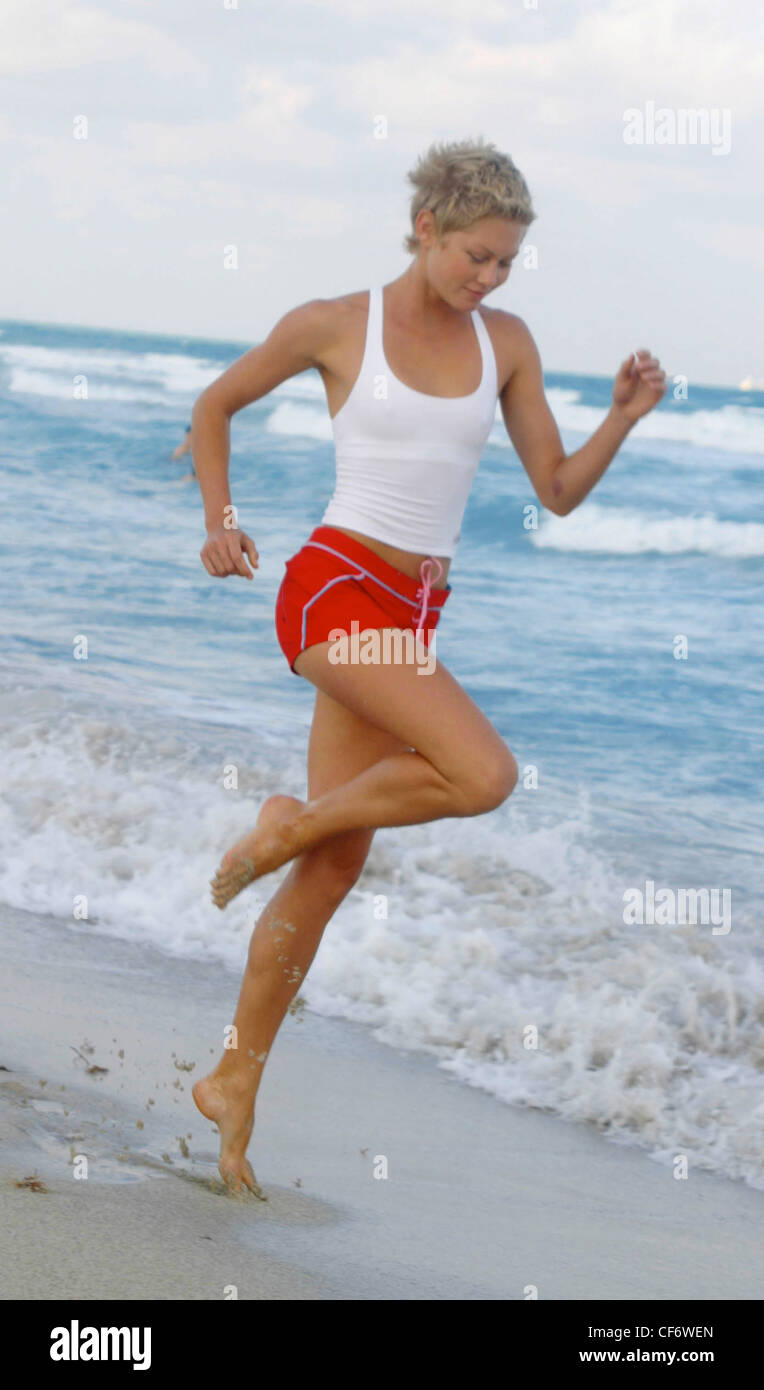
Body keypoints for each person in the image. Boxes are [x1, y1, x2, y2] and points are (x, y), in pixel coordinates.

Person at [189, 136, 667, 1193]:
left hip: (412, 610)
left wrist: (621, 421)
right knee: (482, 775)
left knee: (334, 866)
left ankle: (233, 1081)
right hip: (331, 584)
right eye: (474, 256)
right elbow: (214, 405)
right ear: (425, 228)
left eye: (503, 264)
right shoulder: (334, 324)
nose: (486, 279)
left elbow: (555, 488)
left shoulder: (505, 344)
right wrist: (221, 520)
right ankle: (285, 825)